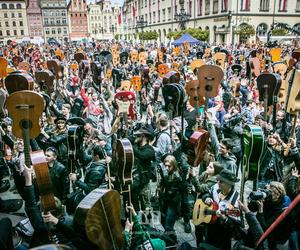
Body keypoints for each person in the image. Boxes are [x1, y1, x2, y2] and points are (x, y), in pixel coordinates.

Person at [202, 169, 241, 249]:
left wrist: (225, 219)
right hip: (210, 227)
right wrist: (207, 198)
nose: (218, 183)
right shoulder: (215, 187)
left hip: (223, 234)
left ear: (230, 184)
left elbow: (234, 226)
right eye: (218, 180)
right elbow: (206, 193)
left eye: (221, 181)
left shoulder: (235, 200)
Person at [189, 162, 224, 246]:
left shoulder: (214, 181)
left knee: (202, 231)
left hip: (206, 208)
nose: (207, 167)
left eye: (210, 167)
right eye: (208, 165)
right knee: (197, 230)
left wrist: (194, 176)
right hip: (199, 202)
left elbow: (199, 188)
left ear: (215, 171)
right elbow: (197, 182)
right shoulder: (205, 174)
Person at [67, 145, 107, 214]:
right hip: (90, 189)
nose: (91, 156)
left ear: (97, 156)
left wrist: (76, 180)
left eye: (92, 154)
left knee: (72, 200)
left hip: (92, 196)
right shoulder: (96, 162)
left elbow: (90, 188)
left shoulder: (97, 171)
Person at [131, 126, 156, 213]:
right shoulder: (135, 147)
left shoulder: (150, 150)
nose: (136, 137)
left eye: (138, 135)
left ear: (144, 137)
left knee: (146, 209)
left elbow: (142, 155)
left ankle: (147, 225)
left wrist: (132, 148)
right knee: (134, 207)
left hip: (143, 184)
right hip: (134, 183)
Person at [158, 155, 182, 241]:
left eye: (169, 166)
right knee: (163, 222)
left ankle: (172, 240)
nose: (167, 168)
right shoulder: (167, 174)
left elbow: (170, 192)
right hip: (166, 202)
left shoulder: (177, 177)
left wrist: (164, 176)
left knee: (168, 225)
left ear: (174, 165)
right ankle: (171, 238)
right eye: (165, 165)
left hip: (173, 204)